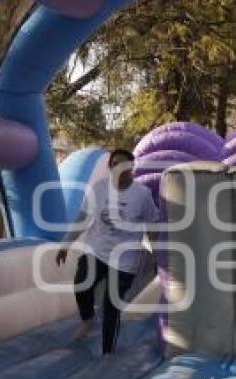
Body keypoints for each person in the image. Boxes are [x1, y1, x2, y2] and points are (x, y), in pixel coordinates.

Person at [56, 149, 159, 355]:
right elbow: (82, 218)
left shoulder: (142, 195)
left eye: (125, 166)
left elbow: (152, 225)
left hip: (125, 260)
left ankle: (107, 352)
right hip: (97, 251)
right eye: (115, 165)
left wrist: (157, 254)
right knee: (81, 284)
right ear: (109, 167)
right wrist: (66, 244)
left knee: (112, 306)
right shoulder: (98, 189)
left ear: (132, 169)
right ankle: (87, 319)